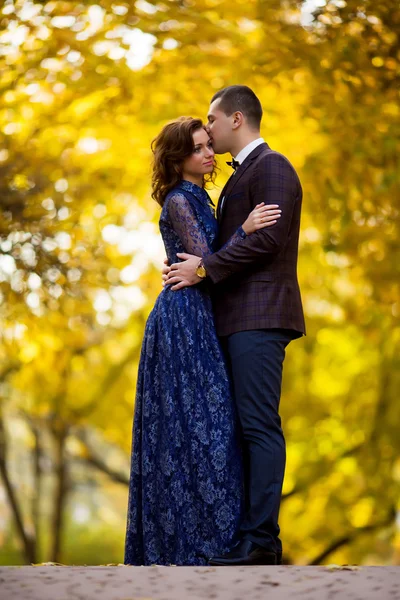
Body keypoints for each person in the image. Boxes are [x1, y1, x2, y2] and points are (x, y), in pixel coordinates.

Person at [124, 116, 282, 566]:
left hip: (200, 317)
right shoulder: (179, 200)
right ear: (178, 159)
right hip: (182, 320)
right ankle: (188, 543)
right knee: (197, 428)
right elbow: (208, 263)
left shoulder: (200, 196)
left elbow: (203, 263)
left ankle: (213, 540)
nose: (208, 153)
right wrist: (246, 230)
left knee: (209, 428)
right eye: (197, 148)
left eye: (208, 145)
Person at [165, 86, 306, 566]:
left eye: (212, 121)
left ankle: (262, 540)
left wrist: (203, 270)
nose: (207, 130)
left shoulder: (273, 167)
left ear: (237, 119)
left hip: (261, 317)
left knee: (260, 425)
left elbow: (267, 241)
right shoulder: (240, 177)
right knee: (246, 426)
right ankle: (245, 535)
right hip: (235, 320)